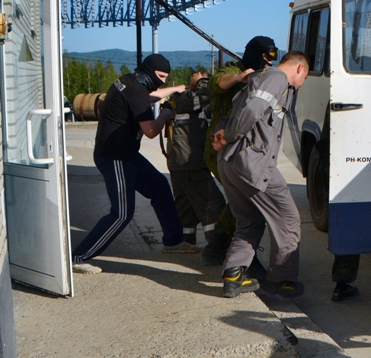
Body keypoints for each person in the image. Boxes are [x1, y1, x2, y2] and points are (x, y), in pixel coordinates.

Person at [72, 54, 200, 274]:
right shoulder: (136, 91)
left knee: (159, 186)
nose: (161, 81)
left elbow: (151, 96)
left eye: (165, 78)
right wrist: (166, 114)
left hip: (125, 154)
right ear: (150, 72)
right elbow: (150, 130)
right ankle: (79, 256)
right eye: (160, 76)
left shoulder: (128, 82)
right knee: (122, 213)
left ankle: (173, 241)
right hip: (116, 158)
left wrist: (176, 88)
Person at [212, 51, 309, 298]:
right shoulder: (277, 78)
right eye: (305, 77)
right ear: (300, 69)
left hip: (230, 162)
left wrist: (223, 130)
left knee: (249, 221)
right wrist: (231, 135)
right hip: (252, 162)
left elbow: (234, 108)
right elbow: (253, 109)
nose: (302, 84)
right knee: (288, 218)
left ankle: (233, 275)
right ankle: (282, 281)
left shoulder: (260, 77)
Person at [205, 36, 279, 277]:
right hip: (219, 146)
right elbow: (217, 83)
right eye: (264, 58)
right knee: (247, 203)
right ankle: (242, 258)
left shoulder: (264, 75)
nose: (265, 64)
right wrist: (241, 77)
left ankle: (219, 245)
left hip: (243, 148)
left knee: (243, 202)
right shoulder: (231, 71)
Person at [165, 71, 230, 265]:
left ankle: (184, 243)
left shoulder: (190, 101)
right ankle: (217, 250)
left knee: (186, 207)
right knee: (213, 204)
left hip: (183, 162)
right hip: (189, 163)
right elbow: (206, 95)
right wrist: (202, 82)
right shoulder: (185, 98)